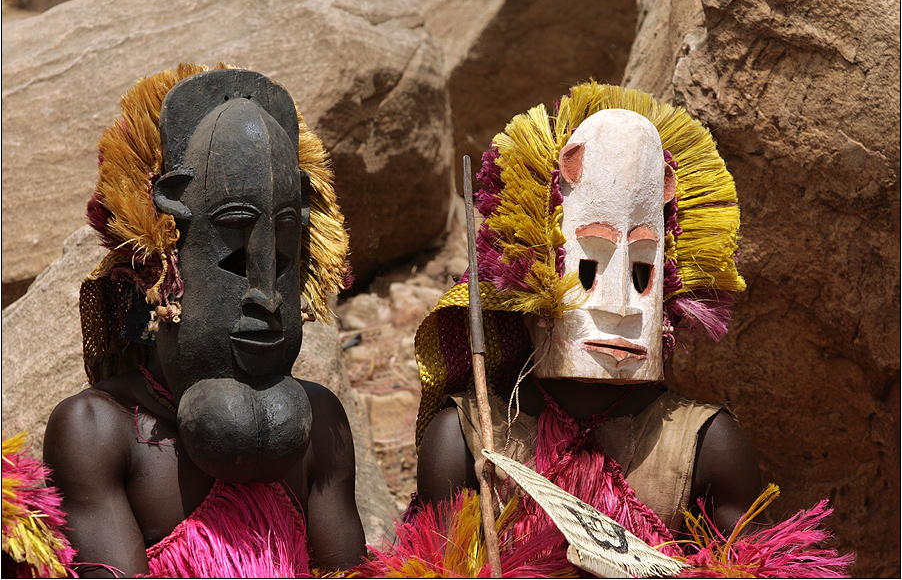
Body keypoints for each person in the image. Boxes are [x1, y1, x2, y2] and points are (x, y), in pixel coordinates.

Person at [394, 84, 850, 577]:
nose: (620, 308)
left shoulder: (705, 446)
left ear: (671, 285)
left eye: (641, 274)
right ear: (529, 278)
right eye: (587, 271)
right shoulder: (466, 440)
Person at [43, 63, 365, 578]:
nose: (267, 298)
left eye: (283, 261)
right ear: (157, 272)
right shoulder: (97, 431)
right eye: (233, 258)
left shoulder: (318, 419)